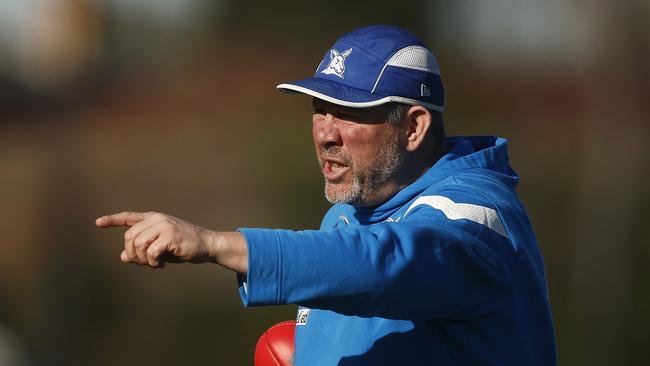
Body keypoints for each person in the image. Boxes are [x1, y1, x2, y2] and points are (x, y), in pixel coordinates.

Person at [96, 25, 557, 365]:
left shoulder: (478, 217)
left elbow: (387, 263)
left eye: (348, 112)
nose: (325, 134)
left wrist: (218, 244)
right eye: (320, 109)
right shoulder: (346, 214)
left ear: (414, 127)